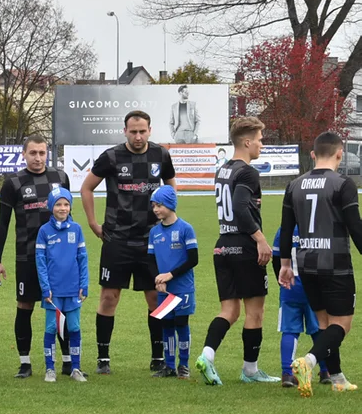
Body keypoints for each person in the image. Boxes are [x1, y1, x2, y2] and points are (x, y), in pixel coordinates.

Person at [80, 110, 176, 375]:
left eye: (142, 131)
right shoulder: (111, 156)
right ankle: (103, 358)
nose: (138, 136)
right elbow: (86, 188)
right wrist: (93, 223)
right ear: (125, 131)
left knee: (156, 297)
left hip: (152, 240)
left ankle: (158, 358)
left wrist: (168, 219)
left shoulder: (161, 155)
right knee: (109, 298)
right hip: (117, 238)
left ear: (150, 130)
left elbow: (170, 186)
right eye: (133, 131)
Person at [194, 117, 277, 386]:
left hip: (223, 246)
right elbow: (241, 207)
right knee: (255, 312)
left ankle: (207, 355)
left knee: (228, 310)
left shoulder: (223, 170)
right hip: (243, 246)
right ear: (247, 141)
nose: (262, 144)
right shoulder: (248, 172)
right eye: (260, 139)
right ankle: (250, 370)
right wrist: (261, 239)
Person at [279, 131, 362, 396]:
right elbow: (355, 228)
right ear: (340, 153)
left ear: (313, 154)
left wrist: (284, 264)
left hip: (306, 264)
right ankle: (310, 361)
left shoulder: (293, 185)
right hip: (335, 264)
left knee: (325, 324)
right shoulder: (343, 183)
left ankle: (337, 377)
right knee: (342, 325)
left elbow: (285, 228)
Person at [0, 134, 75, 379]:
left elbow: (68, 218)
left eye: (42, 153)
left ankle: (68, 361)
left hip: (57, 258)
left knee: (61, 306)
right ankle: (25, 363)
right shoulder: (13, 183)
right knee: (25, 306)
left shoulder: (60, 178)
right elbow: (3, 225)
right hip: (27, 257)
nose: (38, 158)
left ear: (47, 153)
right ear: (24, 154)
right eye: (33, 153)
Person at [35, 188, 89, 383]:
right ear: (51, 206)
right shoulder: (44, 231)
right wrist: (45, 287)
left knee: (74, 327)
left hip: (73, 289)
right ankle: (50, 369)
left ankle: (76, 368)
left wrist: (84, 284)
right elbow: (40, 261)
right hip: (53, 291)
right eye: (58, 204)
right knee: (51, 328)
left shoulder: (76, 229)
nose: (62, 208)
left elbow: (82, 258)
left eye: (66, 204)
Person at [146, 186, 198, 378]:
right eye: (153, 206)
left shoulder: (185, 228)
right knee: (166, 325)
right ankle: (169, 365)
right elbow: (150, 260)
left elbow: (193, 259)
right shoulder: (154, 232)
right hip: (164, 290)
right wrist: (157, 279)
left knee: (181, 323)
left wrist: (170, 275)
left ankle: (183, 365)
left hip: (182, 288)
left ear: (170, 204)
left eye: (159, 205)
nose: (156, 209)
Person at [273, 226, 329, 388]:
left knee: (289, 330)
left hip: (290, 286)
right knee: (319, 329)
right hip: (314, 287)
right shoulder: (317, 227)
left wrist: (282, 280)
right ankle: (325, 370)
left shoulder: (285, 229)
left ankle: (287, 374)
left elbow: (276, 257)